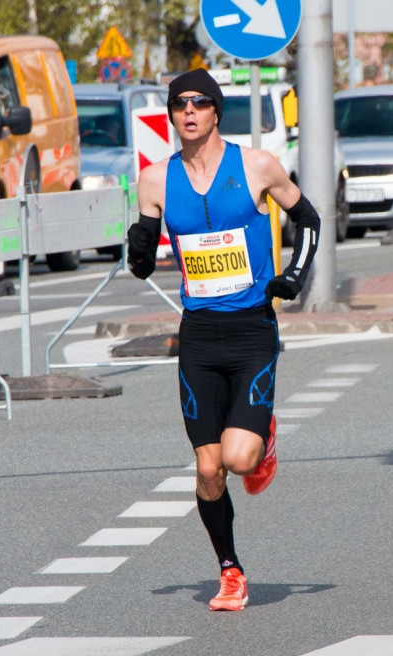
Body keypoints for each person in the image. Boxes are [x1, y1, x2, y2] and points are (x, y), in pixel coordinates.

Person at [127, 69, 320, 612]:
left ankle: (263, 438)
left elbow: (307, 218)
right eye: (179, 104)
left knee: (238, 459)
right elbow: (141, 265)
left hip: (252, 328)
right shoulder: (155, 180)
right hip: (199, 337)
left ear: (216, 112)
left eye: (199, 103)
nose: (189, 112)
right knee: (208, 468)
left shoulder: (256, 165)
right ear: (171, 114)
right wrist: (139, 249)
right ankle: (230, 571)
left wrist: (294, 277)